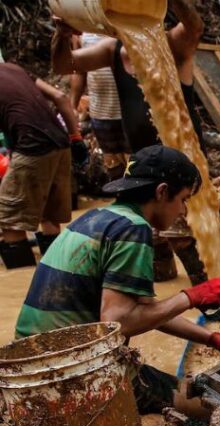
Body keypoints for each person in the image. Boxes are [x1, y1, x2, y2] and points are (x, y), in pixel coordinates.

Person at [15, 145, 220, 416]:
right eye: (183, 199)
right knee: (219, 407)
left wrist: (211, 338)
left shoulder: (95, 218)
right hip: (76, 375)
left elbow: (146, 310)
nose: (183, 211)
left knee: (175, 384)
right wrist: (191, 297)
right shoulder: (133, 230)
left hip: (29, 368)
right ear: (161, 192)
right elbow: (119, 322)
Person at [51, 0, 209, 285]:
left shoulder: (172, 45)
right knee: (152, 229)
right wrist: (61, 36)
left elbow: (195, 27)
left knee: (183, 230)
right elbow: (65, 65)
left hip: (179, 158)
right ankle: (165, 281)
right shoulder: (112, 51)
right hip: (143, 161)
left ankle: (205, 287)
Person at [0, 62, 87, 269]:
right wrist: (76, 138)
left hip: (31, 146)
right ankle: (56, 275)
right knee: (49, 216)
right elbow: (61, 98)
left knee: (9, 220)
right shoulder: (14, 69)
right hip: (60, 143)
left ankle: (24, 283)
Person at [70, 32, 131, 180]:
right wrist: (73, 105)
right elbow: (79, 71)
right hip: (100, 113)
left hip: (131, 113)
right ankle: (120, 198)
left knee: (136, 165)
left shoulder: (125, 23)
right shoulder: (81, 31)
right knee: (113, 166)